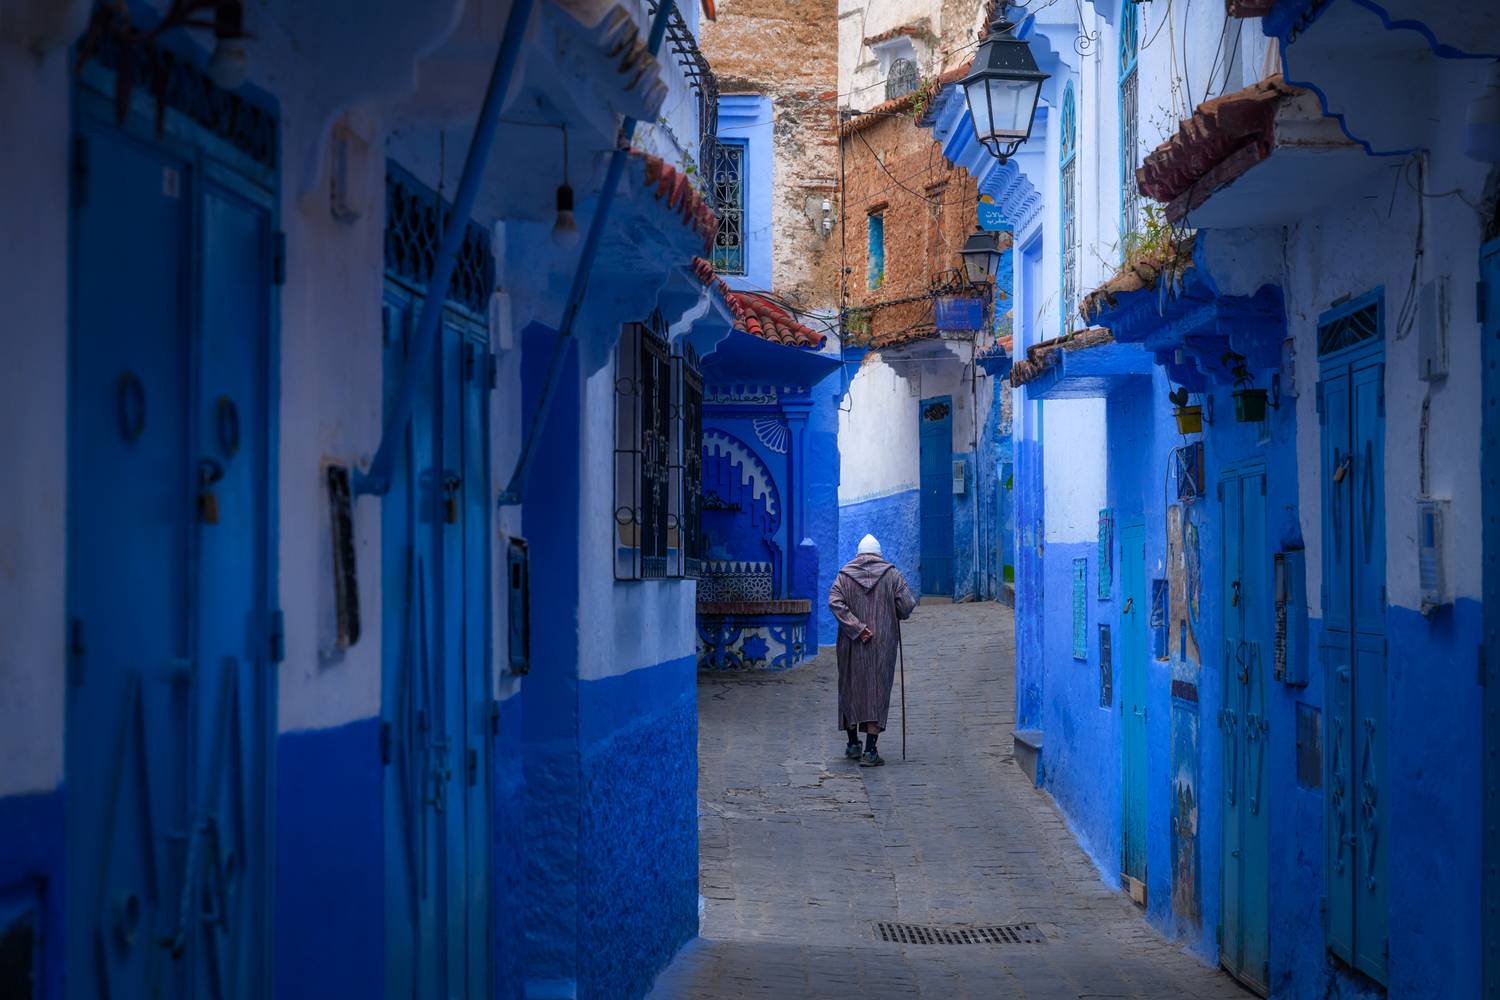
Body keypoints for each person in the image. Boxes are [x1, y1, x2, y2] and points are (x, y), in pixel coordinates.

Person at [827, 534, 917, 767]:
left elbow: (834, 602)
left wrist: (856, 627)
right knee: (877, 691)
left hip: (851, 643)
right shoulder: (892, 575)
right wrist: (894, 609)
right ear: (878, 555)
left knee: (849, 687)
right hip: (882, 643)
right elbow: (907, 605)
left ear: (859, 555)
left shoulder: (844, 576)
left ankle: (853, 743)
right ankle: (870, 750)